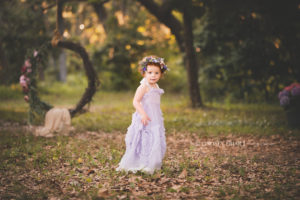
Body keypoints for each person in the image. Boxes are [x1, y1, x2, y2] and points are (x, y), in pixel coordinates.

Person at [116, 55, 168, 174]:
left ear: (161, 74)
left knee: (154, 139)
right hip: (144, 117)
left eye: (156, 73)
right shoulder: (144, 86)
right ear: (144, 73)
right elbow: (136, 101)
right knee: (143, 140)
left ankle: (152, 162)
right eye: (150, 72)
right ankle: (140, 162)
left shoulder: (156, 86)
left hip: (154, 118)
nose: (153, 75)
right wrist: (143, 114)